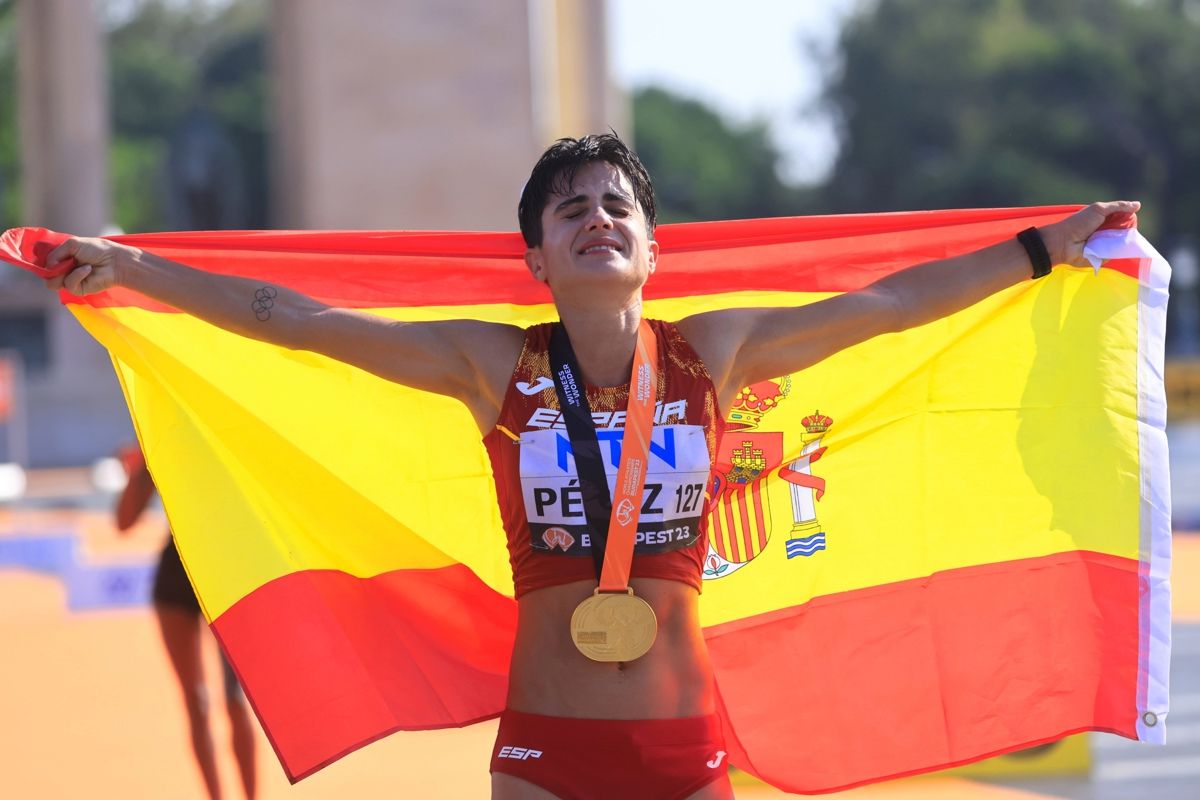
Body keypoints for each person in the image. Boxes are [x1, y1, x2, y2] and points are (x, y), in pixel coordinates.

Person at [51, 134, 1137, 800]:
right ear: (537, 257)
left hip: (687, 753)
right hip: (545, 761)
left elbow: (890, 307)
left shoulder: (713, 352)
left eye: (618, 204)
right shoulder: (490, 364)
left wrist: (1046, 247)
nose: (597, 217)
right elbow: (295, 320)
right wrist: (136, 266)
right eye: (571, 207)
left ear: (652, 248)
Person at [114, 444, 257, 800]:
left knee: (236, 699)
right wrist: (142, 464)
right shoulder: (160, 433)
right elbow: (124, 523)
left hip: (227, 576)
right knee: (196, 701)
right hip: (177, 577)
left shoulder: (227, 427)